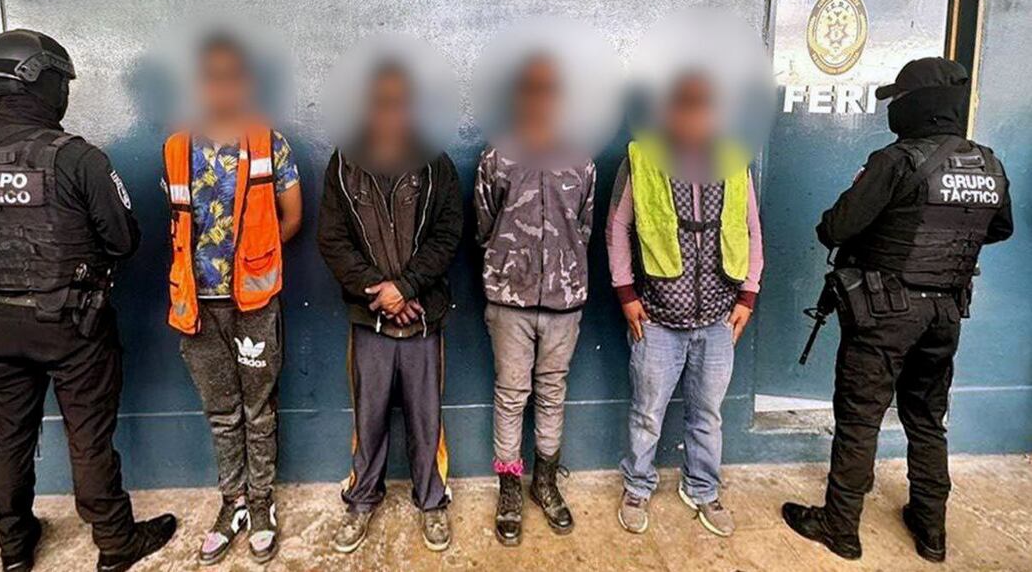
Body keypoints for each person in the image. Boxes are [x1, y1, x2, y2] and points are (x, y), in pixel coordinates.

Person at [0, 29, 176, 572]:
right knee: (88, 438)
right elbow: (124, 240)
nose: (65, 92)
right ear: (39, 79)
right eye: (62, 81)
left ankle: (14, 547)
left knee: (7, 438)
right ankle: (115, 542)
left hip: (1, 322)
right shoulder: (77, 159)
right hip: (75, 325)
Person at [782, 57, 1013, 563]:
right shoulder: (989, 164)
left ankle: (840, 526)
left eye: (900, 99)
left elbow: (835, 228)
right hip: (945, 313)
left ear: (919, 104)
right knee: (927, 418)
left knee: (860, 416)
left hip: (886, 311)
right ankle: (931, 531)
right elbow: (1000, 228)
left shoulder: (896, 161)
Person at [161, 34, 302, 565]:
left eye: (231, 77)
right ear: (200, 84)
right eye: (211, 77)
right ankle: (233, 502)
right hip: (197, 306)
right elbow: (179, 228)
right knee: (222, 412)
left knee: (258, 410)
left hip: (254, 305)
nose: (222, 88)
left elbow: (292, 218)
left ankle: (262, 503)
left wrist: (252, 265)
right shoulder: (177, 150)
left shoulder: (268, 144)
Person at [608, 73, 764, 538]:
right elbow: (617, 228)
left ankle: (702, 488)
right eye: (684, 107)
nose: (693, 118)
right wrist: (626, 294)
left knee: (708, 415)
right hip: (656, 318)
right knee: (647, 413)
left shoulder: (734, 160)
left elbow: (751, 229)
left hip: (718, 317)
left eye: (702, 108)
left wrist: (748, 294)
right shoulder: (642, 159)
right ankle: (637, 485)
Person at [318, 61, 462, 554]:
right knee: (369, 418)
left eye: (399, 103)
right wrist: (378, 292)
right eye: (381, 103)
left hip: (422, 317)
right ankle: (361, 499)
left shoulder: (435, 164)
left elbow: (448, 235)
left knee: (427, 420)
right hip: (369, 320)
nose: (390, 114)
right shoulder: (344, 164)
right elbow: (332, 240)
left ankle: (432, 502)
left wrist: (407, 286)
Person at [474, 54, 595, 545]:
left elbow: (584, 227)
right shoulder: (497, 157)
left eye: (548, 90)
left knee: (552, 393)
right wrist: (514, 266)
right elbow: (483, 226)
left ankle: (544, 482)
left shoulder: (581, 161)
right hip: (509, 301)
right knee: (510, 394)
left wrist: (560, 271)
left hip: (565, 303)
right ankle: (509, 487)